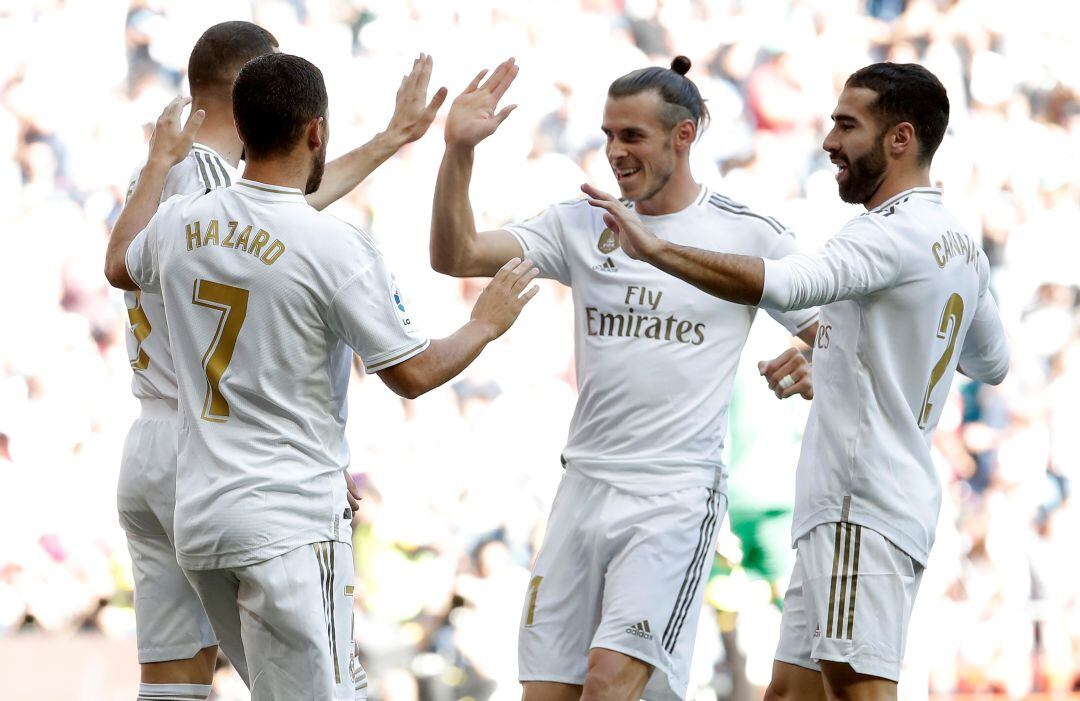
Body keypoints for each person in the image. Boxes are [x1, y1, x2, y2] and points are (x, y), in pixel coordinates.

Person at [104, 53, 533, 700]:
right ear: (316, 132)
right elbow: (412, 373)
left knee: (181, 679)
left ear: (242, 133)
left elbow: (119, 262)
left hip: (198, 510)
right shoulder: (337, 245)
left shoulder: (181, 222)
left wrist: (160, 161)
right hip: (288, 515)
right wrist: (484, 324)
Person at [583, 62, 1011, 700]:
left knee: (857, 690)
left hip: (856, 503)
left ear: (899, 138)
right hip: (875, 501)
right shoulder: (958, 241)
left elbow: (784, 283)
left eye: (847, 124)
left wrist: (657, 250)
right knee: (789, 692)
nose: (829, 141)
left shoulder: (883, 236)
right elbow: (988, 360)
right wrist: (842, 360)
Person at [430, 56, 819, 701]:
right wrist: (458, 152)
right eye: (608, 134)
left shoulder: (751, 236)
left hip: (672, 499)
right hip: (581, 487)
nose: (614, 151)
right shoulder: (582, 221)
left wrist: (816, 358)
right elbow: (456, 255)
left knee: (609, 684)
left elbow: (838, 335)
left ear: (684, 135)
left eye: (631, 136)